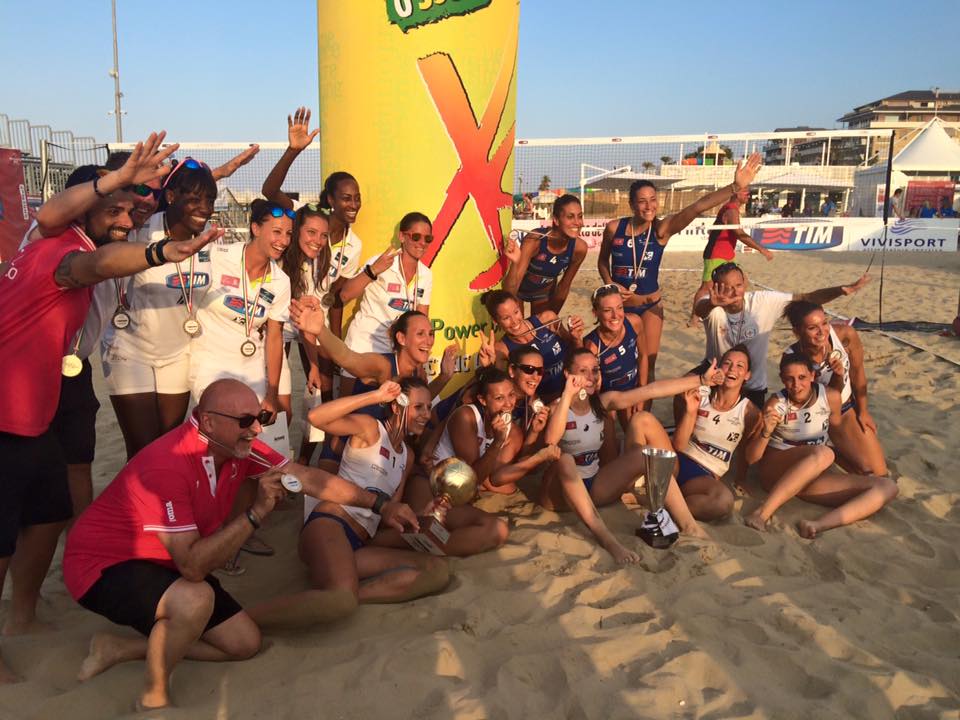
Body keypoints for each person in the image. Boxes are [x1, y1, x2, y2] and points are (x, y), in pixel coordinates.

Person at [0, 131, 219, 686]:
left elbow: (71, 223)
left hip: (36, 411)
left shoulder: (49, 230)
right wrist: (158, 251)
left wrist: (124, 191)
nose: (126, 219)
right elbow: (96, 266)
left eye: (130, 211)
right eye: (115, 211)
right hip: (5, 413)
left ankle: (21, 615)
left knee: (49, 513)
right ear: (87, 209)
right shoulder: (62, 253)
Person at [63, 379, 420, 710]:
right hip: (101, 565)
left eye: (260, 418)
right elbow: (193, 566)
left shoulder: (235, 446)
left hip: (165, 560)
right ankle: (154, 697)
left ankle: (122, 648)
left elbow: (307, 477)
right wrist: (256, 512)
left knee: (244, 643)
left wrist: (380, 505)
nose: (258, 429)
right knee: (195, 598)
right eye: (246, 421)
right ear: (208, 422)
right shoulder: (168, 464)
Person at [539, 349, 722, 564]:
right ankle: (610, 542)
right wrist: (567, 395)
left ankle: (690, 526)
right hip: (558, 493)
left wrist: (700, 380)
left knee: (648, 454)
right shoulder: (557, 407)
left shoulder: (602, 402)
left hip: (594, 486)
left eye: (595, 370)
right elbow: (551, 440)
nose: (591, 376)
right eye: (583, 371)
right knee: (565, 459)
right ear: (568, 374)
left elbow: (650, 391)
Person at [102, 157, 219, 459]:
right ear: (170, 196)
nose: (204, 208)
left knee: (167, 445)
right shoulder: (141, 230)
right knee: (143, 448)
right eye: (195, 199)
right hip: (130, 350)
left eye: (210, 200)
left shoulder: (209, 240)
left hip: (177, 352)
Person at [302, 377, 449, 605]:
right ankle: (249, 618)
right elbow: (316, 417)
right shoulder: (370, 429)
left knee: (436, 570)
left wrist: (422, 515)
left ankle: (351, 594)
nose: (426, 415)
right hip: (332, 523)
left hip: (362, 541)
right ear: (397, 406)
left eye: (429, 408)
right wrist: (375, 396)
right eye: (418, 407)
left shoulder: (407, 455)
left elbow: (386, 516)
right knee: (341, 596)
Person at [742, 354, 897, 537]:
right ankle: (762, 513)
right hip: (776, 472)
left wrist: (855, 466)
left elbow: (835, 435)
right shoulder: (776, 404)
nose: (796, 385)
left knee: (887, 487)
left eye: (802, 377)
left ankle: (817, 525)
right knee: (824, 453)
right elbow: (752, 459)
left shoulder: (830, 397)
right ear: (782, 379)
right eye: (790, 379)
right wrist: (766, 432)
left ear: (812, 376)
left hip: (810, 473)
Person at [260, 108, 363, 369]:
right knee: (273, 380)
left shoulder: (354, 245)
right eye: (346, 198)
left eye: (356, 198)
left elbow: (335, 299)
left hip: (315, 320)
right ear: (330, 199)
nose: (353, 204)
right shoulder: (305, 215)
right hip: (282, 314)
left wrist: (336, 342)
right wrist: (293, 151)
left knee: (322, 386)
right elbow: (269, 190)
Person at [692, 261, 870, 408]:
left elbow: (806, 298)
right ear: (716, 288)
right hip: (716, 376)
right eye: (727, 288)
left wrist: (840, 290)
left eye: (738, 285)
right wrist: (712, 304)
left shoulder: (763, 301)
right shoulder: (713, 305)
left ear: (745, 282)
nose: (735, 292)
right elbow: (700, 309)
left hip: (752, 384)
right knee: (686, 395)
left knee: (751, 430)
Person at [188, 200, 292, 415]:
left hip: (251, 368)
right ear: (255, 228)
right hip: (209, 364)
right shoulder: (218, 256)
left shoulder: (281, 281)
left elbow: (275, 337)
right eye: (277, 232)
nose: (284, 241)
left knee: (250, 427)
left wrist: (272, 394)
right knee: (222, 421)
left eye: (288, 234)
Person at [782, 300, 887, 475]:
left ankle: (832, 449)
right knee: (864, 471)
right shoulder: (792, 358)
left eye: (824, 323)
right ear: (797, 331)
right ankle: (826, 446)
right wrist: (837, 376)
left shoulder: (845, 334)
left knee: (879, 473)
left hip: (845, 408)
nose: (821, 332)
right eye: (812, 328)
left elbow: (857, 372)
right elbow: (818, 400)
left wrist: (863, 411)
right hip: (817, 416)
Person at [339, 211, 433, 394]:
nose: (422, 243)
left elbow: (422, 320)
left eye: (428, 238)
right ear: (402, 236)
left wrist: (419, 362)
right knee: (348, 402)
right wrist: (374, 270)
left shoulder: (426, 274)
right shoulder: (382, 262)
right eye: (416, 236)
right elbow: (345, 294)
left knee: (387, 405)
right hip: (363, 345)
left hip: (395, 354)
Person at [672, 346, 759, 520]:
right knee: (642, 423)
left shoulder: (750, 412)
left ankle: (668, 507)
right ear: (718, 368)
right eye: (727, 363)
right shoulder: (701, 393)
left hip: (704, 473)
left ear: (747, 375)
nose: (732, 369)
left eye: (740, 366)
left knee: (722, 502)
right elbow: (677, 393)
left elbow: (744, 447)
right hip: (676, 458)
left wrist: (741, 478)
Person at [686, 156, 773, 326]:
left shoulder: (733, 210)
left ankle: (731, 311)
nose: (748, 195)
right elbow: (739, 234)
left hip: (726, 254)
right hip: (716, 254)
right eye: (745, 192)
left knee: (742, 281)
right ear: (736, 193)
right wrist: (762, 249)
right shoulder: (731, 210)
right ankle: (694, 319)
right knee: (706, 287)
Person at [480, 288, 583, 402]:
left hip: (576, 388)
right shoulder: (501, 349)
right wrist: (488, 367)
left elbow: (576, 352)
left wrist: (576, 338)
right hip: (545, 403)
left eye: (516, 312)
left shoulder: (547, 319)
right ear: (495, 321)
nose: (514, 321)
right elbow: (503, 387)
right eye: (506, 318)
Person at [503, 194, 588, 315]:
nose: (577, 222)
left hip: (542, 293)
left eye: (580, 216)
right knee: (518, 326)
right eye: (570, 217)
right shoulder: (535, 240)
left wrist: (552, 317)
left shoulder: (579, 248)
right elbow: (513, 286)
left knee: (544, 325)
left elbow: (564, 286)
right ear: (556, 220)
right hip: (518, 291)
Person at [583, 284, 646, 426]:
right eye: (607, 310)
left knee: (635, 426)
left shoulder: (634, 322)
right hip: (607, 398)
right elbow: (592, 389)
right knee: (608, 431)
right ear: (595, 312)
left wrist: (641, 393)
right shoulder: (592, 347)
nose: (615, 315)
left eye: (619, 308)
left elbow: (643, 356)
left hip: (633, 390)